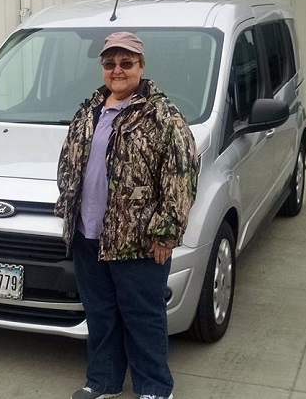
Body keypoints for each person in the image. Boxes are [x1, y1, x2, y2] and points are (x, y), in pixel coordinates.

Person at [55, 32, 199, 399]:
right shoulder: (89, 111)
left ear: (141, 66)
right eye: (109, 63)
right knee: (101, 314)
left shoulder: (162, 117)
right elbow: (68, 164)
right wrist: (66, 210)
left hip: (138, 242)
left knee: (143, 318)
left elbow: (181, 175)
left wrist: (166, 233)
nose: (117, 70)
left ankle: (154, 387)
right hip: (88, 235)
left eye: (126, 63)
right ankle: (103, 382)